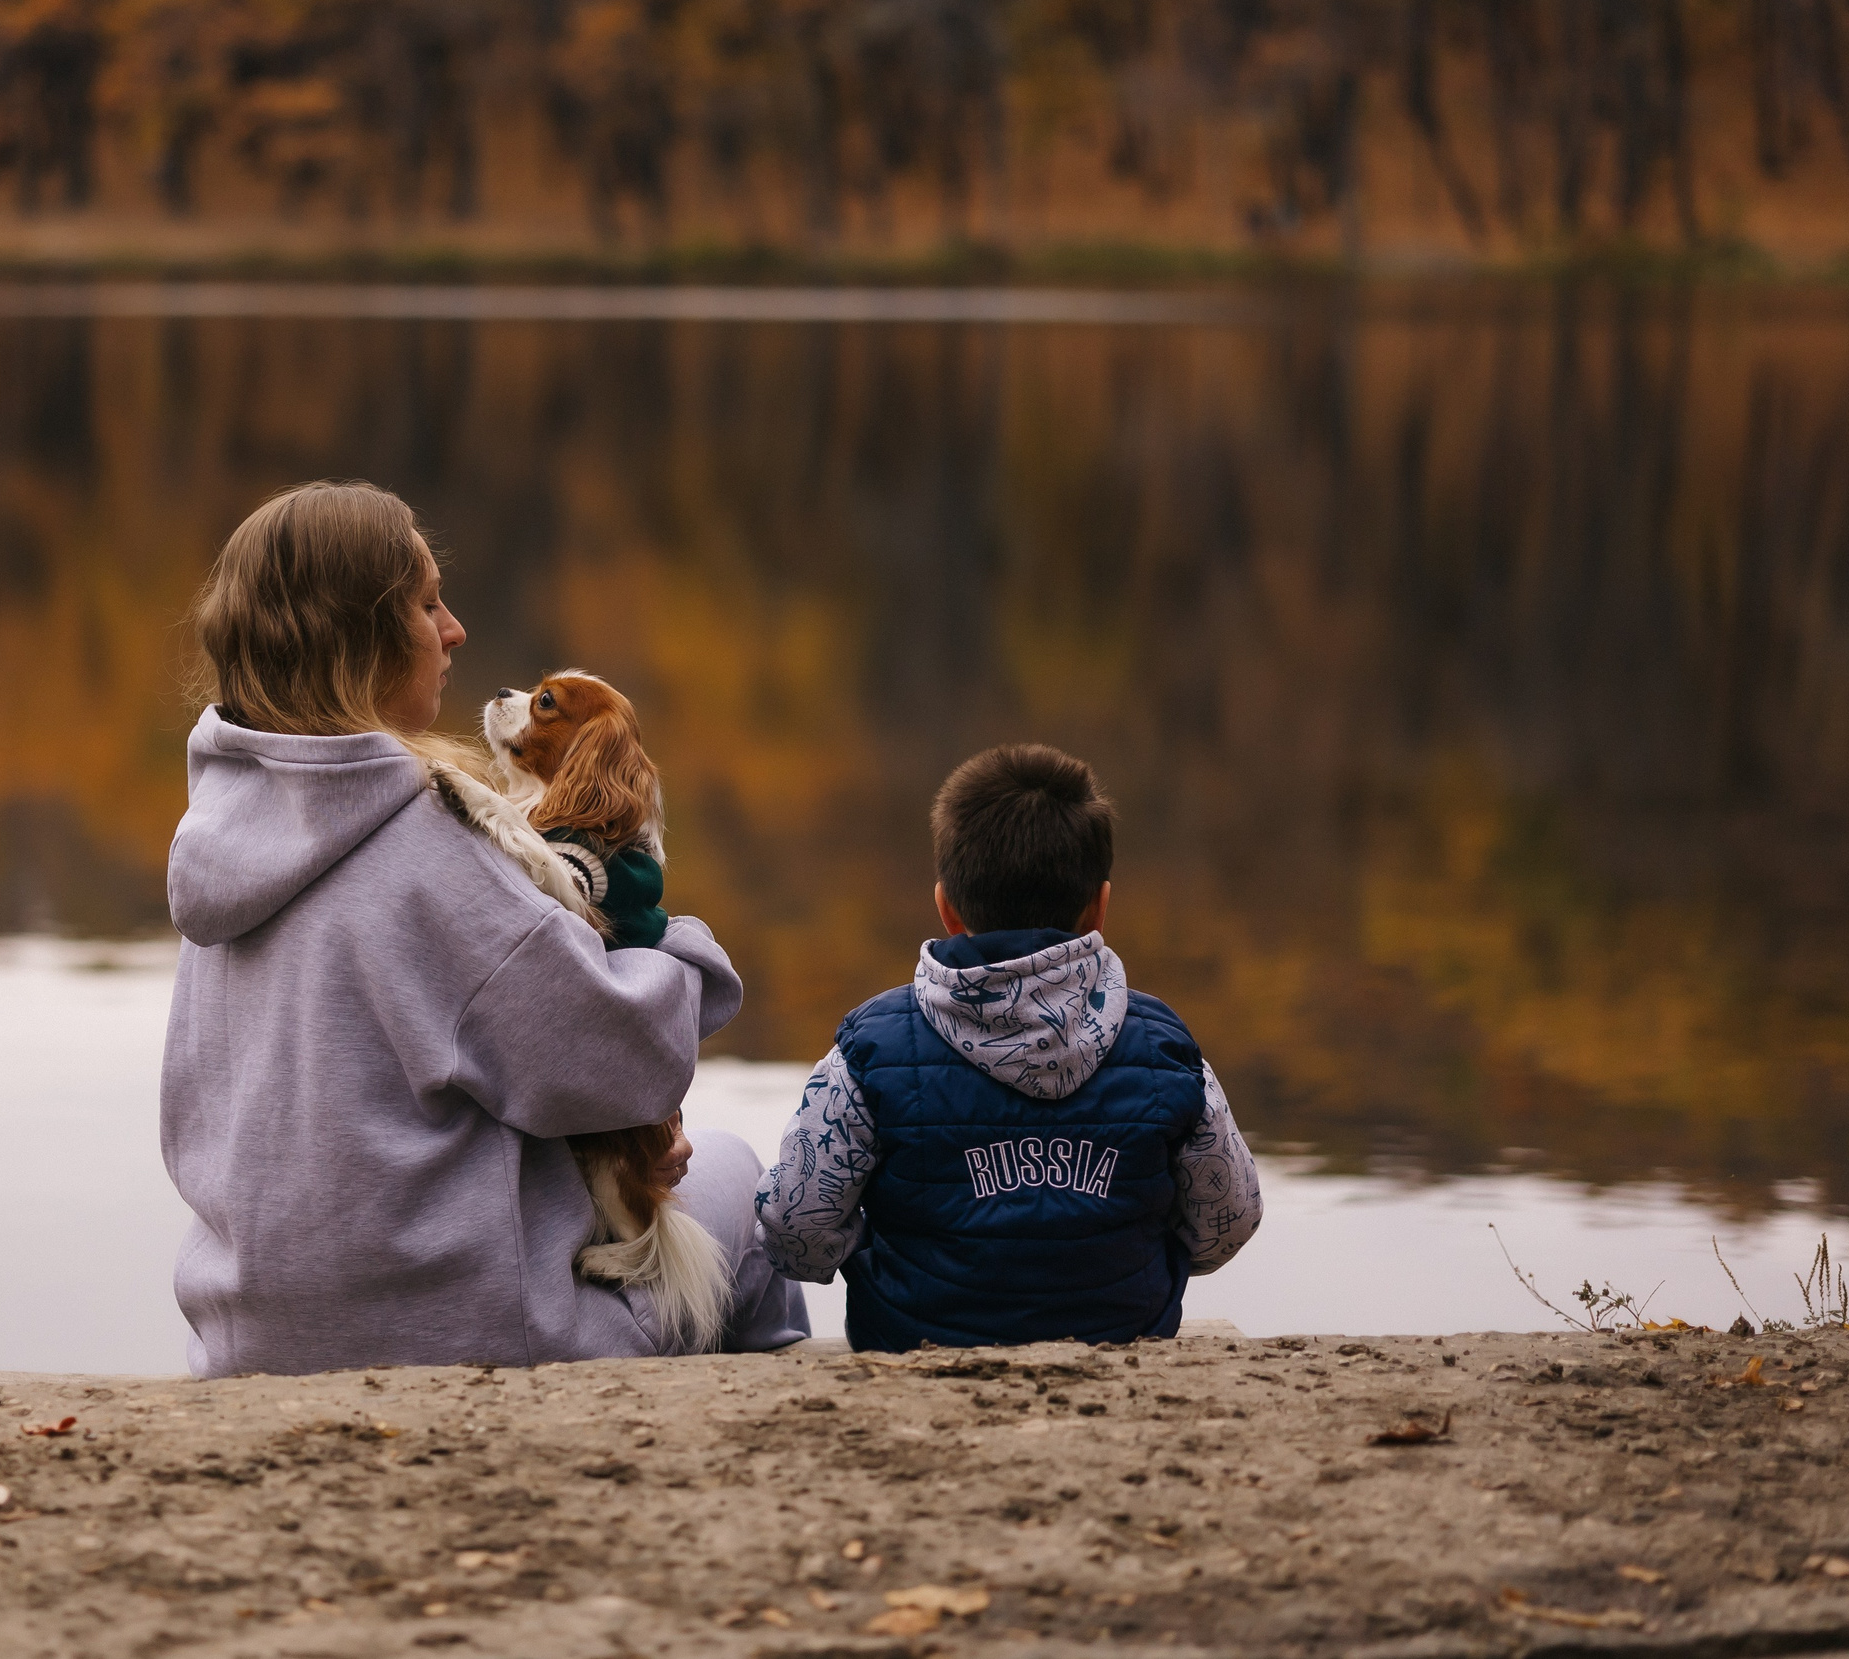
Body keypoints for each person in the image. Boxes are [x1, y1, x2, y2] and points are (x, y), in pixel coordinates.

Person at [160, 480, 806, 1377]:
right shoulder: (428, 840)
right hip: (462, 1338)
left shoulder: (217, 838)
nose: (456, 628)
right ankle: (762, 1410)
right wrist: (682, 948)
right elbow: (624, 1059)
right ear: (366, 641)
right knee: (737, 1175)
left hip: (247, 1343)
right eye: (428, 605)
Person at [756, 744, 1261, 1349]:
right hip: (1126, 1346)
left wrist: (872, 1254)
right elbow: (1230, 1218)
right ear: (1099, 907)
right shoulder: (1165, 1049)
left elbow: (794, 1228)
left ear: (946, 906)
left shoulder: (870, 1049)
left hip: (913, 1348)